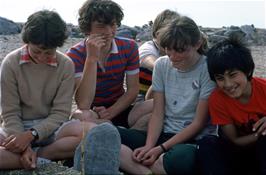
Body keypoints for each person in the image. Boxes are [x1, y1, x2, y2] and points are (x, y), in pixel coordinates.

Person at [117, 15, 217, 175]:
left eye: (180, 50)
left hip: (192, 140)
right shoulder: (162, 64)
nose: (173, 56)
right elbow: (158, 112)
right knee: (108, 135)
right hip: (162, 133)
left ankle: (139, 167)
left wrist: (160, 149)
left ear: (197, 44)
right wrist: (150, 146)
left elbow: (198, 123)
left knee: (181, 159)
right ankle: (149, 169)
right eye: (168, 49)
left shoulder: (207, 69)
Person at [0, 10, 83, 170]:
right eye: (37, 51)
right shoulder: (11, 63)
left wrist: (31, 135)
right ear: (27, 42)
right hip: (16, 128)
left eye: (48, 53)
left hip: (50, 128)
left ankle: (34, 156)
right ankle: (36, 157)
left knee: (86, 133)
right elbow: (10, 113)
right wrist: (23, 145)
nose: (42, 57)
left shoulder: (66, 64)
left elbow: (60, 113)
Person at [197, 36, 266, 175]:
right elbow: (235, 140)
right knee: (207, 143)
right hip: (238, 153)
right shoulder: (217, 99)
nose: (228, 84)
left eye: (233, 75)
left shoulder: (263, 88)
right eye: (220, 78)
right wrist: (260, 135)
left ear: (247, 71)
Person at [66, 0, 139, 128]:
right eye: (101, 26)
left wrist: (111, 112)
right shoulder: (75, 54)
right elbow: (83, 104)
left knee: (153, 105)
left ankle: (114, 130)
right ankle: (114, 130)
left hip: (120, 106)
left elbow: (132, 90)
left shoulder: (129, 47)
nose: (109, 31)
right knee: (80, 116)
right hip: (93, 112)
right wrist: (92, 59)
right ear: (88, 28)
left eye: (113, 25)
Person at [128, 9, 180, 130]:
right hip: (141, 100)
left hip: (162, 97)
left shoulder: (173, 50)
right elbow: (151, 62)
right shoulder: (148, 48)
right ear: (157, 34)